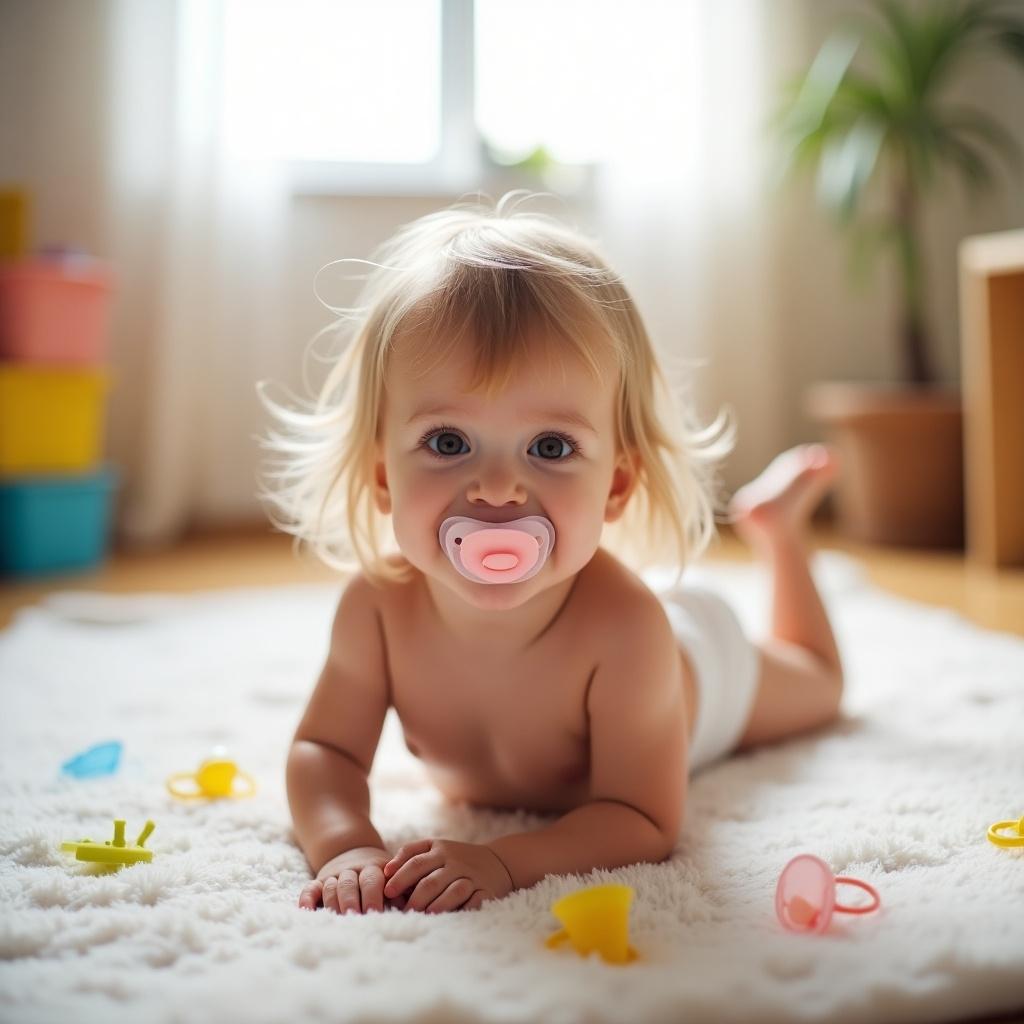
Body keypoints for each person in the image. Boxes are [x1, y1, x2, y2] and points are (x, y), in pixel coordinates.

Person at [259, 193, 844, 916]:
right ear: (384, 476)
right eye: (448, 443)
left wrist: (506, 859)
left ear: (615, 487)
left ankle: (780, 534)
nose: (499, 490)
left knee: (820, 687)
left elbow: (643, 817)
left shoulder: (629, 632)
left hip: (700, 664)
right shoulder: (376, 608)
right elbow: (325, 753)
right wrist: (346, 843)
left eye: (550, 447)